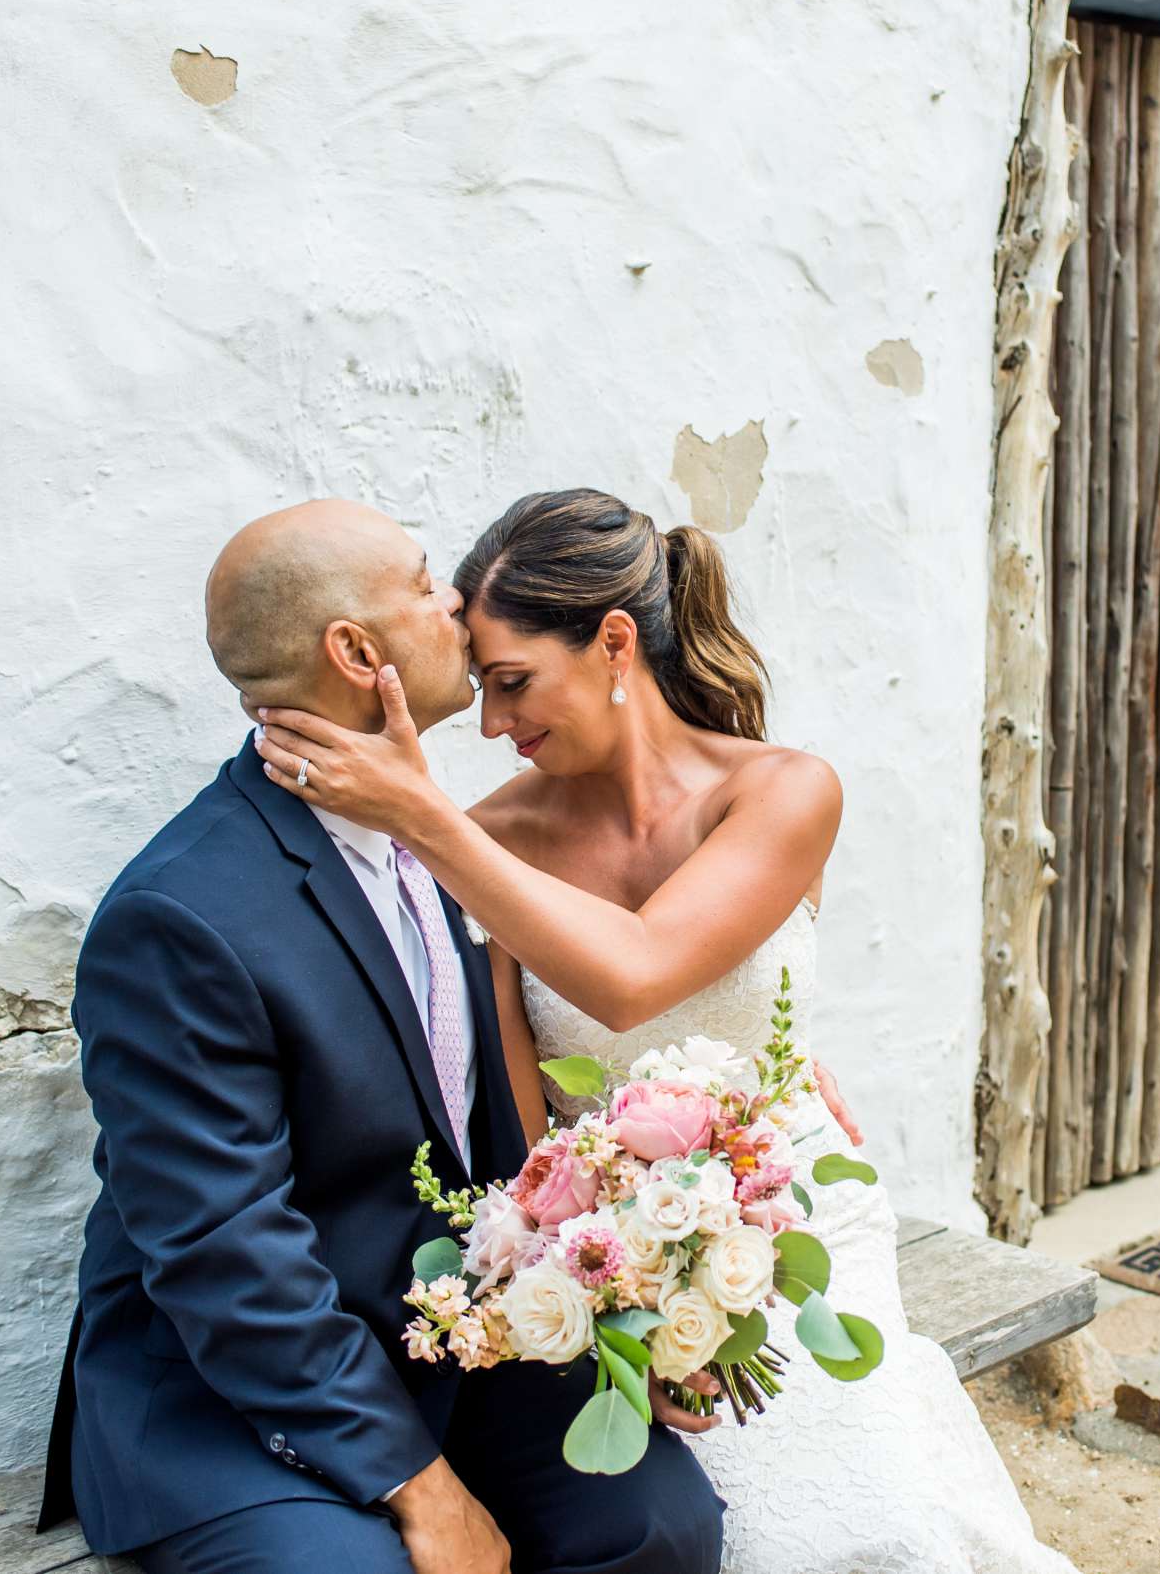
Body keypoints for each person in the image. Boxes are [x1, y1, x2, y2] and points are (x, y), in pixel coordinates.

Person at [250, 488, 1079, 1574]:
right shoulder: (492, 839)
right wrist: (610, 1295)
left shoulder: (781, 792)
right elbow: (523, 1124)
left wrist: (422, 813)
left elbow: (640, 977)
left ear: (613, 643)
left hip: (795, 1215)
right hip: (604, 1252)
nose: (494, 728)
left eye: (511, 685)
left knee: (875, 1528)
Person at [39, 498, 724, 1574]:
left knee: (657, 1526)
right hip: (234, 1393)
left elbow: (501, 1124)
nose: (456, 599)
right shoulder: (181, 917)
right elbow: (223, 1254)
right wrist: (420, 1484)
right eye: (421, 584)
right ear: (357, 653)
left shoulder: (442, 838)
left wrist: (623, 1311)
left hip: (450, 1336)